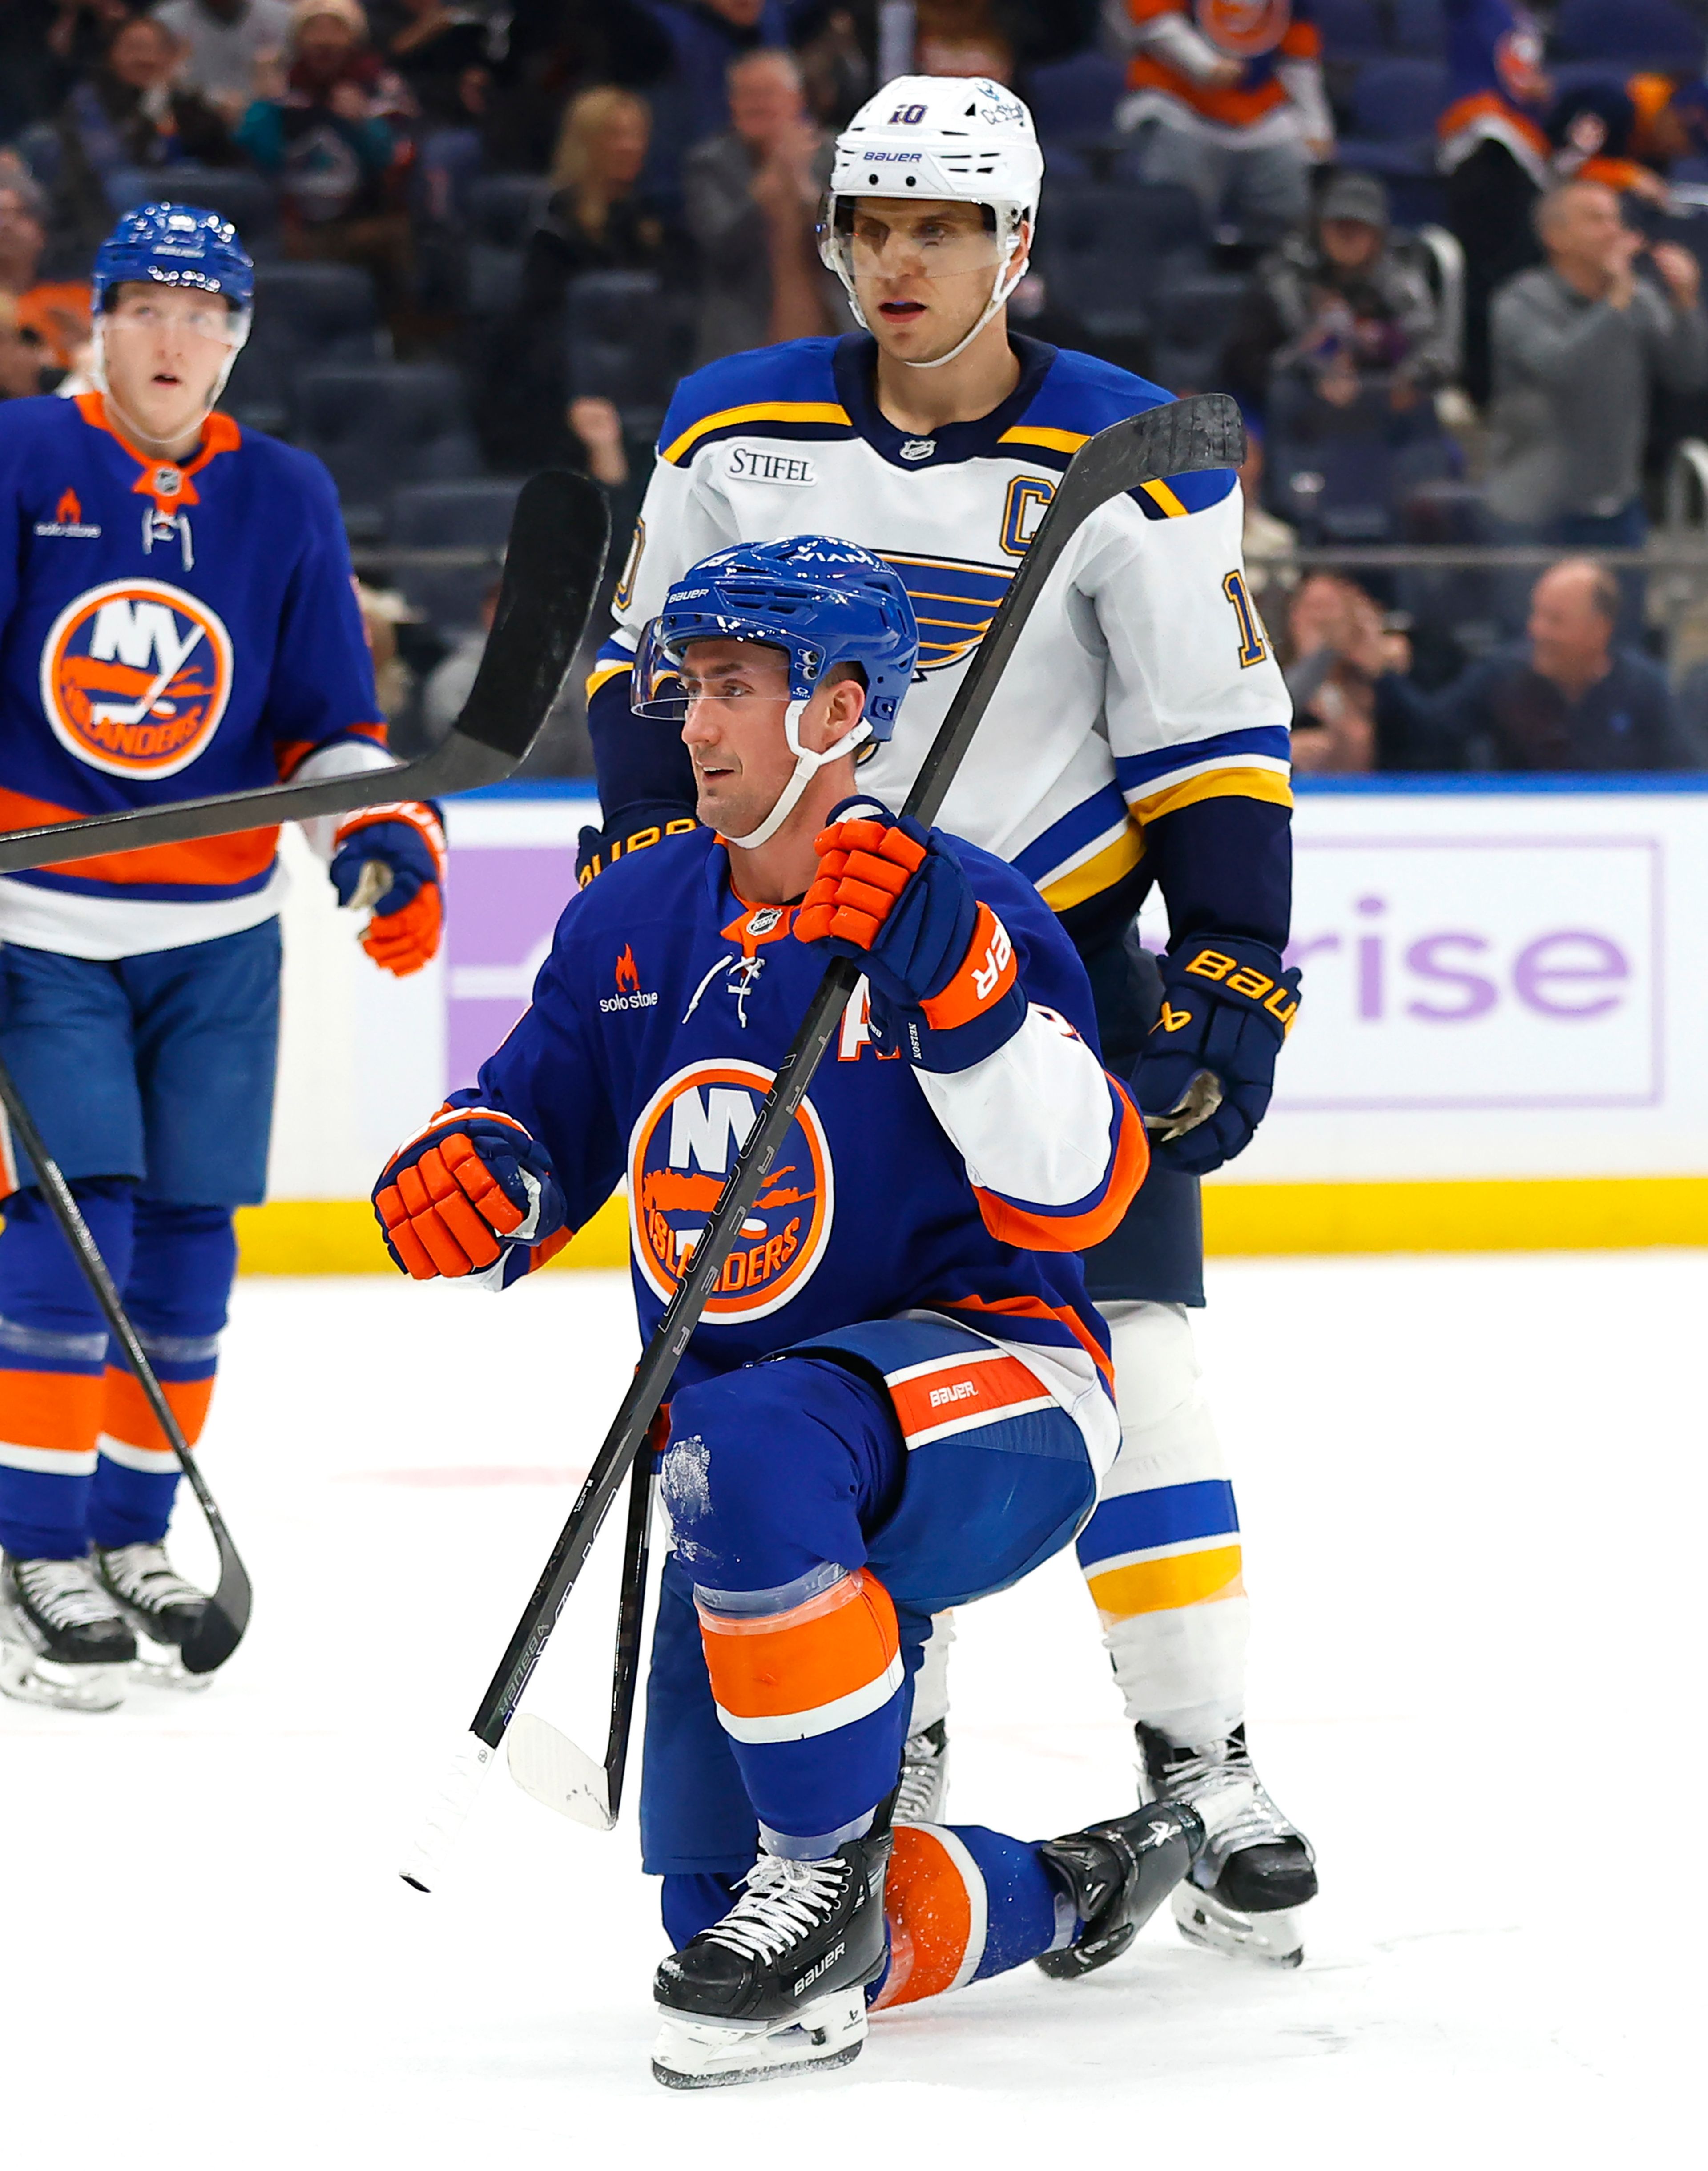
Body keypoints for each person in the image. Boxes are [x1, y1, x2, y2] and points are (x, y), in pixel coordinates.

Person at [577, 75, 1318, 1968]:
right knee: (827, 1393)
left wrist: (1232, 963)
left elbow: (1208, 736)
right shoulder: (726, 426)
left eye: (945, 228)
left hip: (1041, 977)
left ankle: (1201, 1755)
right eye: (873, 223)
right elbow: (646, 695)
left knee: (1135, 1357)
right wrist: (677, 901)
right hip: (798, 993)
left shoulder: (1126, 453)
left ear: (1018, 245)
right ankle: (871, 1760)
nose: (902, 261)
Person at [372, 534, 1216, 2086]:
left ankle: (823, 1884)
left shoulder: (970, 904)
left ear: (841, 710)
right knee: (707, 1911)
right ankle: (1074, 1883)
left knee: (749, 1440)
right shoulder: (628, 928)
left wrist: (953, 983)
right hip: (745, 1482)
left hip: (1001, 1403)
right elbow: (533, 1136)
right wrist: (473, 1190)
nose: (693, 724)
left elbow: (1082, 1190)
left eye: (738, 689)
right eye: (690, 687)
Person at [0, 203, 446, 1712]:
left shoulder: (288, 494)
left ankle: (128, 1536)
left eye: (204, 314)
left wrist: (379, 839)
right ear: (98, 328)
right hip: (39, 923)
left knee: (192, 1251)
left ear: (237, 337)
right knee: (76, 1235)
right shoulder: (23, 456)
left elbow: (327, 713)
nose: (174, 340)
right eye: (146, 312)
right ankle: (30, 1545)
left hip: (217, 931)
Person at [1485, 181, 1708, 566]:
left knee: (1622, 627)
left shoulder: (1637, 299)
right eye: (1596, 220)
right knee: (1537, 625)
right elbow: (1559, 369)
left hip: (1617, 507)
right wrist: (1615, 301)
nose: (1614, 230)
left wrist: (1686, 304)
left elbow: (1688, 374)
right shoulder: (1520, 302)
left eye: (1616, 219)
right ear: (1556, 237)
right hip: (1536, 511)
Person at [1373, 556, 1697, 771]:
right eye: (1536, 614)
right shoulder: (1504, 675)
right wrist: (1380, 672)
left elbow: (1685, 777)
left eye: (1555, 620)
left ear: (1600, 630)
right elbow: (1430, 732)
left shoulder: (1645, 687)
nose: (1537, 630)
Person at [1223, 169, 1454, 424]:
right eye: (1340, 225)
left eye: (1359, 227)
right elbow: (1247, 363)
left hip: (1380, 415)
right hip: (1293, 416)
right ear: (1319, 228)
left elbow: (1438, 353)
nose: (1348, 237)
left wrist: (1408, 376)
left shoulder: (1397, 277)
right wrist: (1314, 361)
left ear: (1378, 236)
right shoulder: (1283, 276)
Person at [1111, 0, 1333, 247]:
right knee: (1175, 225)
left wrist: (1316, 125)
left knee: (1289, 226)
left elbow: (1299, 57)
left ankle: (1275, 279)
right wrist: (1204, 65)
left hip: (1262, 118)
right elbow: (1153, 20)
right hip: (1182, 112)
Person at [682, 45, 841, 367]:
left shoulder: (838, 156)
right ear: (731, 104)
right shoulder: (710, 164)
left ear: (797, 100)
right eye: (746, 95)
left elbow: (851, 248)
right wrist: (760, 197)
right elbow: (720, 249)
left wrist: (803, 189)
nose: (757, 104)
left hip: (831, 341)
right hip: (744, 345)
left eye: (768, 93)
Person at [1437, 0, 1550, 407]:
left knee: (1519, 275)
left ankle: (1507, 386)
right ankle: (1479, 387)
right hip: (1483, 146)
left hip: (1523, 155)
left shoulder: (1524, 15)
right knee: (1488, 276)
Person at [53, 13, 239, 257]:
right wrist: (148, 117)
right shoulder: (91, 100)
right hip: (120, 194)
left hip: (190, 189)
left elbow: (225, 156)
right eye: (134, 49)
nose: (146, 59)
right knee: (125, 186)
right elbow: (108, 163)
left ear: (172, 57)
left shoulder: (185, 98)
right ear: (113, 55)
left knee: (252, 191)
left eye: (156, 50)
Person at [0, 170, 92, 377]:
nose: (5, 225)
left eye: (19, 214)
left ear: (42, 231)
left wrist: (86, 344)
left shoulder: (76, 298)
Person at [149, 0, 294, 122]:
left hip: (270, 120)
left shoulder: (282, 16)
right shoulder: (167, 22)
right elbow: (156, 91)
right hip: (193, 121)